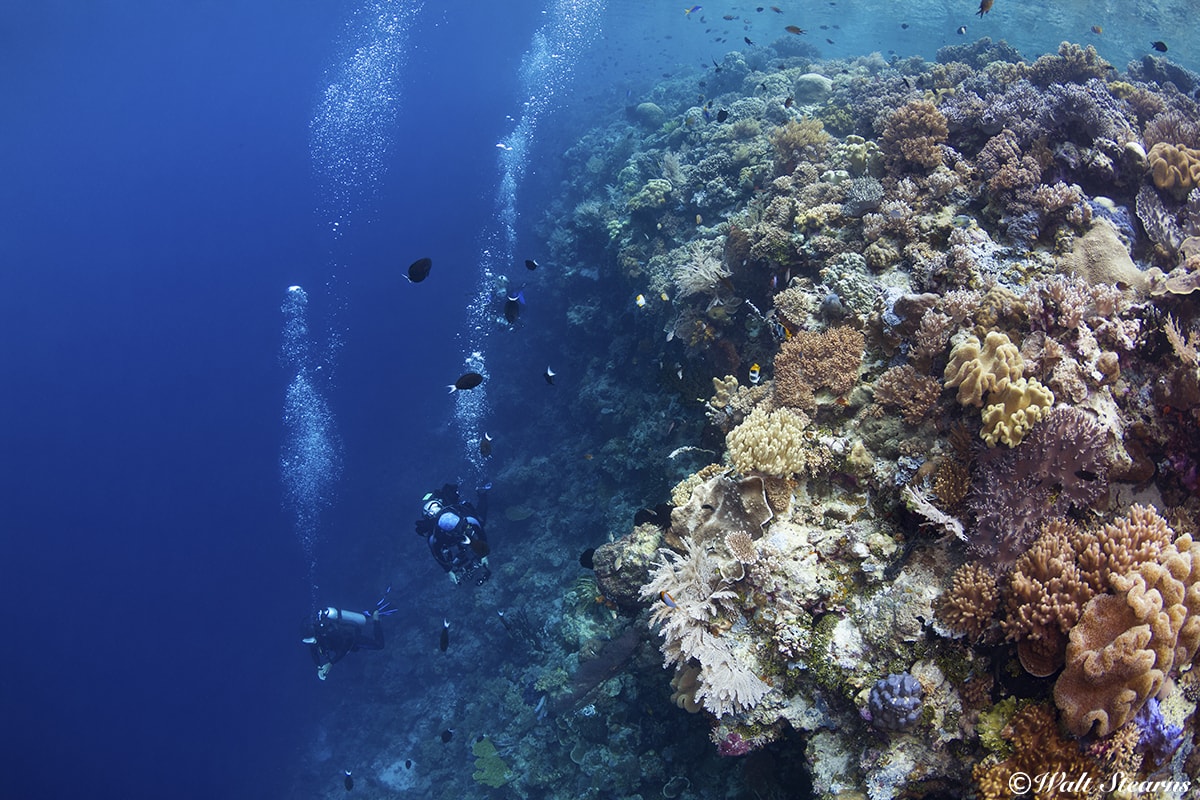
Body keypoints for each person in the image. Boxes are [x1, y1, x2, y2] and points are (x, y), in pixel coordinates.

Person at [302, 591, 395, 680]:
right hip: (344, 640)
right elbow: (313, 652)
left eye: (311, 640)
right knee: (364, 619)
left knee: (379, 645)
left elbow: (346, 644)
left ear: (316, 634)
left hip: (351, 637)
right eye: (308, 642)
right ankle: (367, 615)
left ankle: (375, 617)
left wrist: (331, 663)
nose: (312, 642)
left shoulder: (329, 633)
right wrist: (319, 667)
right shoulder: (315, 640)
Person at [416, 482, 491, 585]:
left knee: (481, 521)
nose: (458, 533)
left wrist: (484, 555)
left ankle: (482, 493)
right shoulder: (435, 537)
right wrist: (449, 571)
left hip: (459, 516)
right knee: (457, 543)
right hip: (445, 535)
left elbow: (480, 530)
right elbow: (436, 554)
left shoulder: (467, 518)